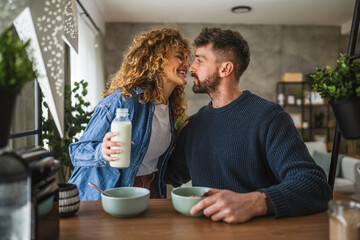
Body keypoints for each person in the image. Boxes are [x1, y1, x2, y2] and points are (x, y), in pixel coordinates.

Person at [165, 27, 332, 223]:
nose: (191, 67)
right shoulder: (194, 124)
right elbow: (167, 175)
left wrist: (255, 202)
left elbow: (315, 185)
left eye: (200, 60)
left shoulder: (270, 117)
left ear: (225, 69)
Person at [68, 27, 192, 200]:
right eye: (180, 56)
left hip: (150, 192)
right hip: (109, 195)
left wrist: (178, 139)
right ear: (157, 60)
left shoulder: (169, 109)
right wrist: (102, 151)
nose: (187, 63)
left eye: (187, 57)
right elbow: (77, 152)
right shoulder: (124, 100)